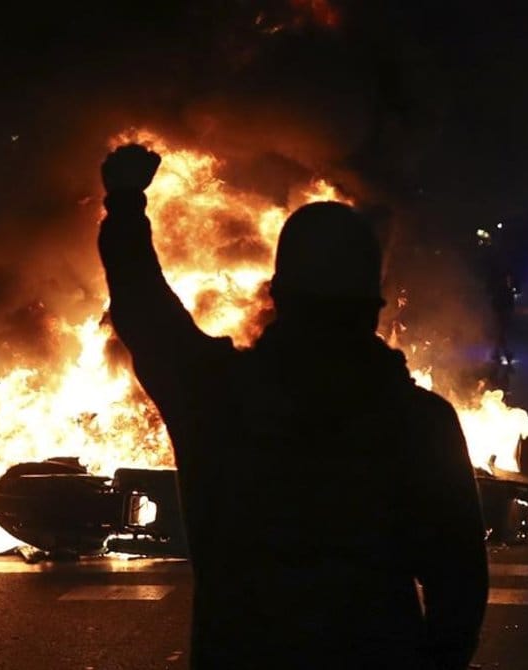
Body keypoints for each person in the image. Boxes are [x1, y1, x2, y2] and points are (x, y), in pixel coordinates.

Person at [98, 144, 488, 669]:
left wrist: (125, 204)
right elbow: (458, 588)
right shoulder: (421, 422)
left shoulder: (217, 396)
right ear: (375, 304)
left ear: (278, 294)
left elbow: (144, 309)